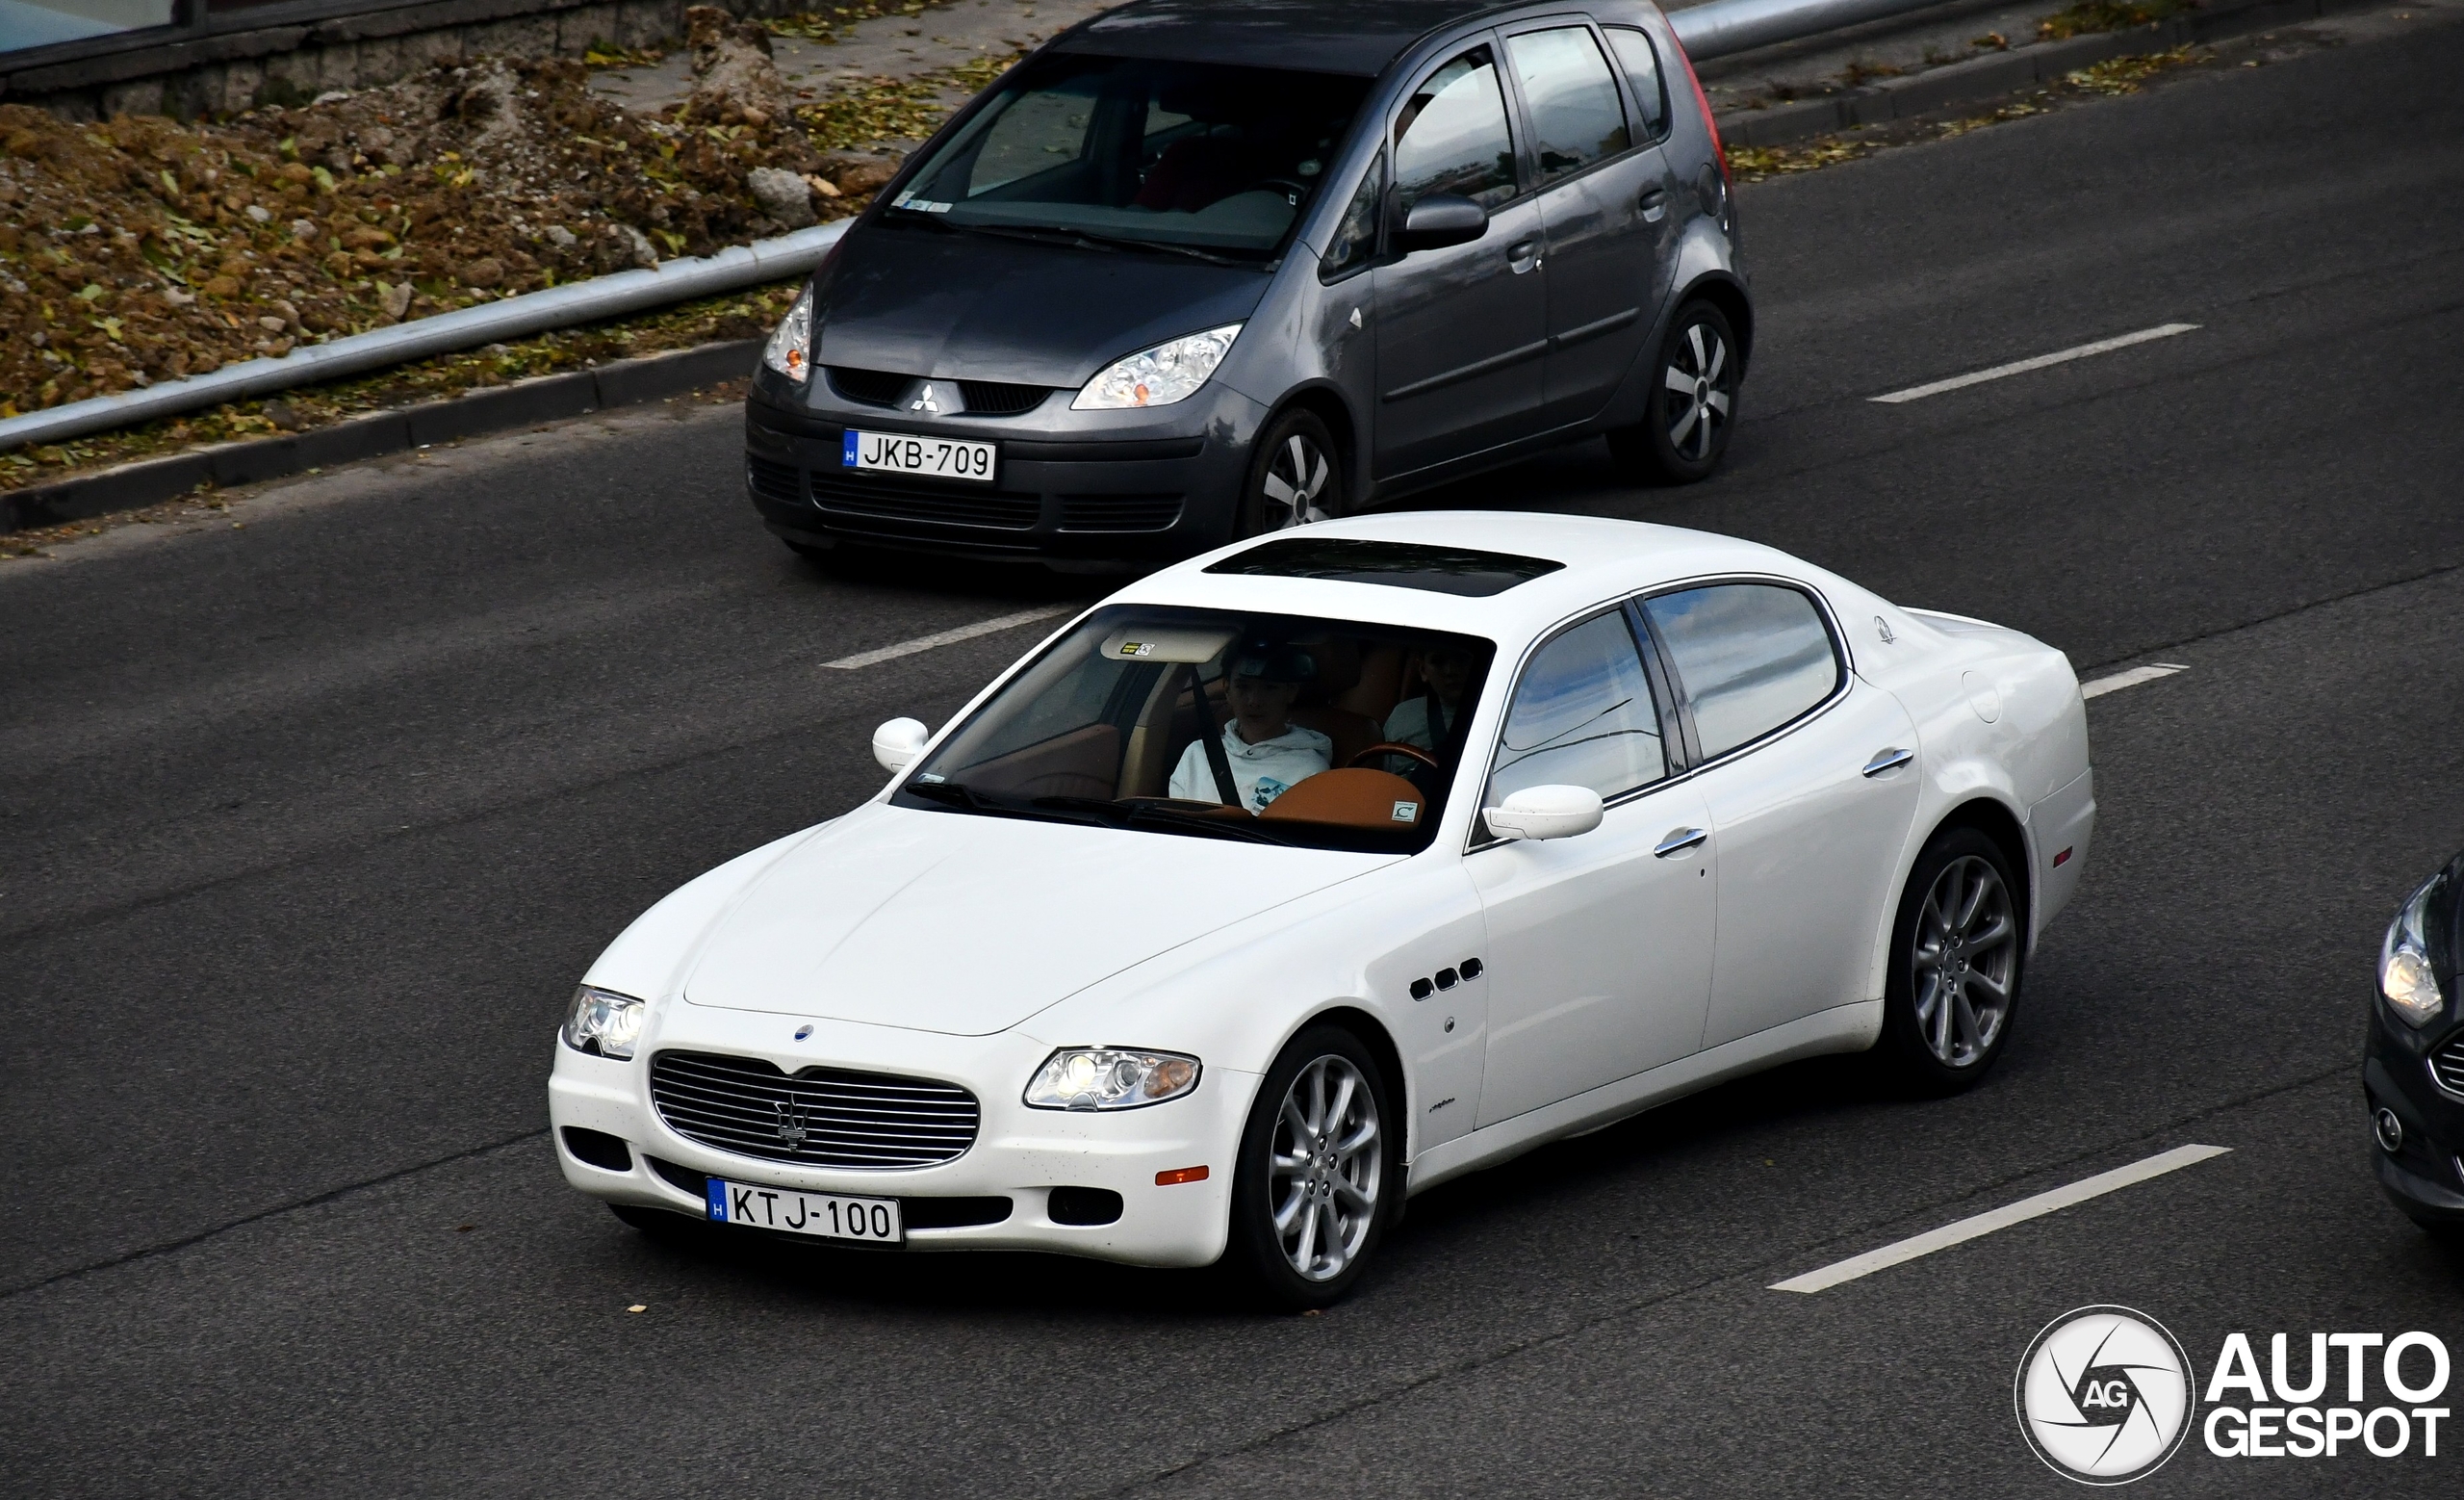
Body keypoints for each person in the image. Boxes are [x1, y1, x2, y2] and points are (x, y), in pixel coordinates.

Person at [1168, 643, 1332, 813]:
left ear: (1290, 692)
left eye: (1269, 688)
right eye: (1243, 686)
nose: (1254, 701)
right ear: (1227, 690)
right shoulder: (1197, 754)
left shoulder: (1310, 770)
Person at [1384, 643, 1476, 753]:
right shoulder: (1401, 716)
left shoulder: (1497, 716)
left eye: (1461, 659)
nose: (1450, 671)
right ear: (1423, 670)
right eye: (1438, 661)